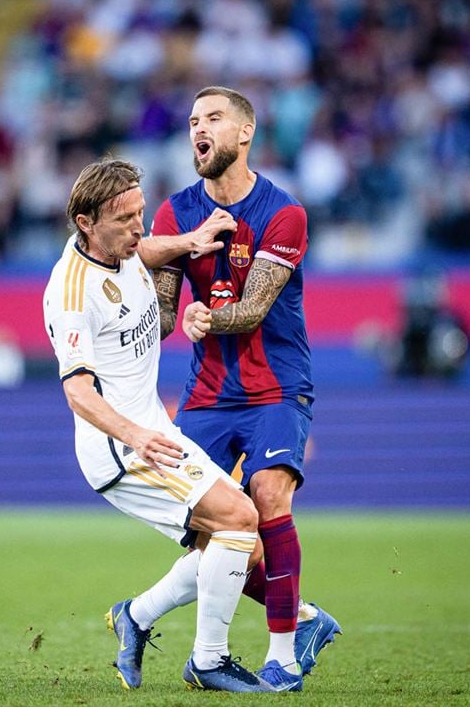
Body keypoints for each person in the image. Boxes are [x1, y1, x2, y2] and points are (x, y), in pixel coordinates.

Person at [42, 158, 276, 693]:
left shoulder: (120, 249)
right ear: (85, 223)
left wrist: (191, 240)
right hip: (122, 448)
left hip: (151, 431)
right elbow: (78, 392)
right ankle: (209, 661)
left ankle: (136, 615)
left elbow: (143, 252)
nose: (139, 228)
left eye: (141, 212)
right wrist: (136, 437)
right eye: (124, 218)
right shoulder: (71, 291)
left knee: (242, 545)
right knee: (239, 518)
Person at [139, 86, 341, 692]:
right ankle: (304, 618)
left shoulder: (284, 213)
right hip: (207, 394)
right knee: (210, 531)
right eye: (193, 120)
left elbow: (252, 308)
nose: (198, 128)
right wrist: (158, 270)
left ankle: (281, 656)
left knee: (268, 495)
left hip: (278, 386)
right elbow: (164, 312)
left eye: (214, 118)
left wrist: (208, 318)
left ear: (244, 133)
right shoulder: (176, 214)